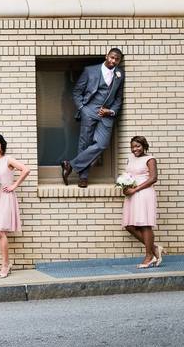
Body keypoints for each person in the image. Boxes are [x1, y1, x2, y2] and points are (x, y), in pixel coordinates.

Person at [62, 48, 125, 188]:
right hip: (89, 110)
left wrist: (112, 111)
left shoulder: (120, 74)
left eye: (117, 59)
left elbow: (118, 98)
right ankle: (83, 178)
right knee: (85, 143)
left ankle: (70, 165)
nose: (113, 61)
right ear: (106, 56)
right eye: (112, 57)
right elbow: (77, 92)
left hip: (106, 114)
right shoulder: (90, 70)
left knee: (102, 144)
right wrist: (83, 109)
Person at [0, 134, 29, 278]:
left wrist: (14, 185)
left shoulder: (8, 160)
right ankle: (6, 264)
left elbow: (25, 170)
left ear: (2, 146)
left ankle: (5, 265)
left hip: (6, 197)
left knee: (0, 231)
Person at [121, 136, 162, 268]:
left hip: (144, 194)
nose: (135, 149)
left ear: (144, 146)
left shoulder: (150, 159)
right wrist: (125, 188)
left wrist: (136, 189)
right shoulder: (130, 158)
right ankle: (155, 248)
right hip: (132, 195)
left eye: (138, 146)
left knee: (145, 225)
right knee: (129, 226)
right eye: (133, 146)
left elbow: (153, 178)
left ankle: (149, 256)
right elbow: (128, 176)